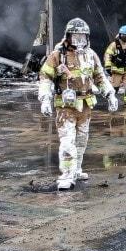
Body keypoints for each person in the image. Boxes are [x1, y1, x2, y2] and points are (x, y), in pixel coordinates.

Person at [38, 17, 117, 190]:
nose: (79, 41)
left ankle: (77, 169)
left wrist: (110, 94)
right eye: (76, 37)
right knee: (67, 141)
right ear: (68, 37)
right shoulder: (58, 55)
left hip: (86, 105)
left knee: (82, 140)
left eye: (83, 37)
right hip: (66, 108)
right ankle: (66, 174)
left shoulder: (91, 55)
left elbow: (100, 77)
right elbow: (45, 77)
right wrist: (44, 98)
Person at [104, 25, 126, 109]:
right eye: (123, 35)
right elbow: (108, 55)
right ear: (120, 35)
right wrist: (108, 66)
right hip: (117, 71)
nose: (125, 37)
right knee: (114, 88)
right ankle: (111, 101)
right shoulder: (114, 45)